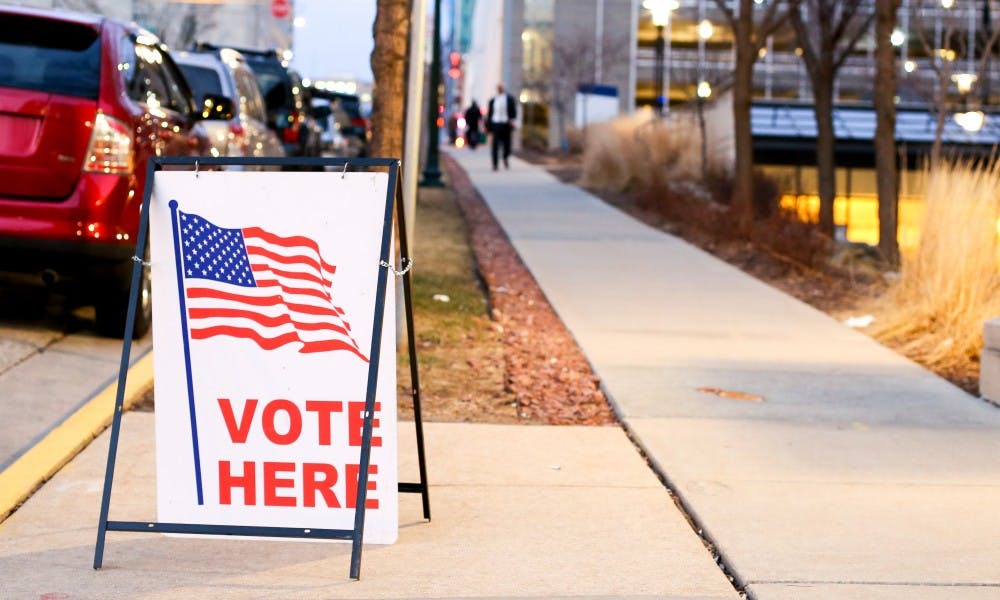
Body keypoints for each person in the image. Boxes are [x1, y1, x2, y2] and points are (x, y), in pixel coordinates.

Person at [486, 83, 516, 170]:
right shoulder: (493, 100)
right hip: (496, 124)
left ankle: (505, 157)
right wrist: (488, 128)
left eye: (501, 88)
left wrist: (512, 121)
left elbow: (513, 112)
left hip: (506, 124)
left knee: (507, 144)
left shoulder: (509, 99)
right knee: (495, 145)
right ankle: (495, 164)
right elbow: (490, 114)